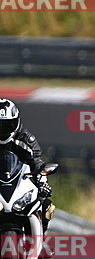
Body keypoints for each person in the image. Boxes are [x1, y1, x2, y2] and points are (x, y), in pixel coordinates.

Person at [0, 99, 54, 230]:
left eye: (7, 125)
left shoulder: (26, 139)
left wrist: (42, 182)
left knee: (46, 205)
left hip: (19, 184)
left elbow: (37, 162)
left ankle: (41, 243)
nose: (2, 129)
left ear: (16, 122)